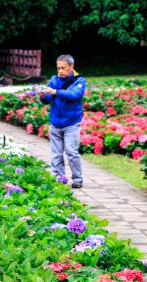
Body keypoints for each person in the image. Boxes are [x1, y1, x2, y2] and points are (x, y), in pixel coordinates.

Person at [38, 54, 86, 188]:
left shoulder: (79, 81)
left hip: (71, 123)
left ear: (71, 67)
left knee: (71, 151)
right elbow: (47, 100)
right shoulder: (54, 80)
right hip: (55, 123)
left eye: (63, 68)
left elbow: (74, 95)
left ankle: (77, 179)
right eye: (58, 68)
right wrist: (42, 96)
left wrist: (55, 91)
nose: (60, 71)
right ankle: (59, 179)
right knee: (56, 154)